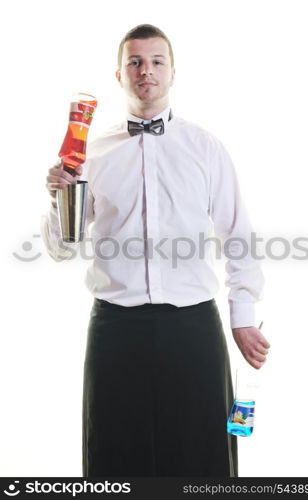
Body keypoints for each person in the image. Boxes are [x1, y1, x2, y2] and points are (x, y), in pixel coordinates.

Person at [42, 24, 270, 477]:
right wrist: (58, 202)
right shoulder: (92, 154)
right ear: (120, 75)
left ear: (172, 73)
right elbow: (63, 250)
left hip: (193, 327)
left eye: (156, 62)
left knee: (204, 458)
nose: (146, 71)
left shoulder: (205, 147)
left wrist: (242, 317)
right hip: (115, 328)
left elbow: (238, 235)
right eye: (135, 62)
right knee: (113, 457)